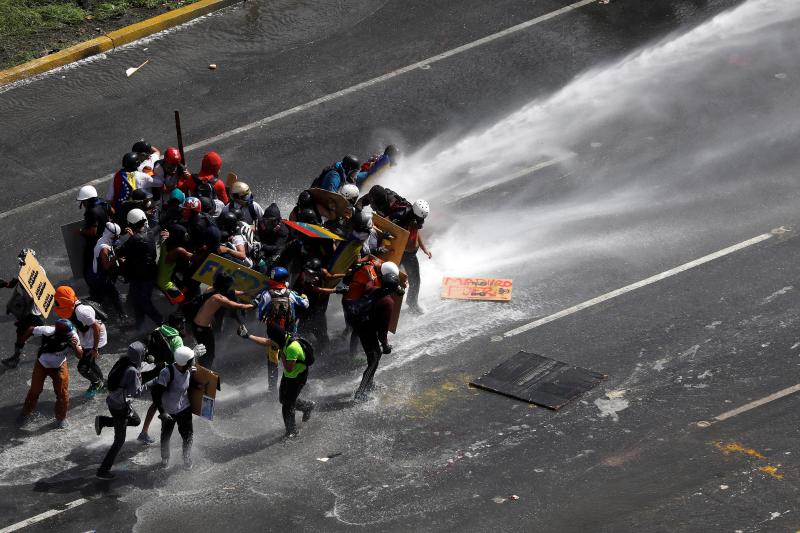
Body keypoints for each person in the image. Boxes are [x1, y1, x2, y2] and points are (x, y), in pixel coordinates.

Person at [238, 322, 313, 438]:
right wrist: (248, 336)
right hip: (289, 376)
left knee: (287, 405)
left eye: (272, 339)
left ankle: (291, 432)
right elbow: (266, 342)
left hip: (298, 377)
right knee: (283, 399)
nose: (271, 341)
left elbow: (288, 368)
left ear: (276, 338)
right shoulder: (283, 338)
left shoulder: (292, 347)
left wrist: (281, 353)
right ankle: (307, 406)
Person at [94, 341, 154, 479]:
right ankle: (103, 471)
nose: (145, 355)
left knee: (136, 420)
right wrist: (152, 382)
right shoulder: (132, 371)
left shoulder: (124, 361)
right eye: (143, 354)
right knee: (119, 441)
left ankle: (103, 421)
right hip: (120, 407)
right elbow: (136, 392)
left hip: (114, 402)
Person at [19, 318, 83, 429]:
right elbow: (30, 329)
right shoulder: (48, 331)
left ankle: (61, 418)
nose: (70, 336)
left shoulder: (73, 337)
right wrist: (21, 342)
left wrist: (75, 347)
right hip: (42, 365)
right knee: (35, 390)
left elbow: (80, 355)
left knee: (62, 394)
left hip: (59, 366)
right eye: (66, 334)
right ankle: (25, 414)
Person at [254, 266, 309, 392]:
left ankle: (272, 389)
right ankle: (292, 384)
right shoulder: (291, 294)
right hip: (291, 335)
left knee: (272, 362)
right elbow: (305, 304)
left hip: (274, 335)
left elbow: (259, 315)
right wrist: (305, 296)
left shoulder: (267, 294)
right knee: (291, 359)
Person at [351, 271, 403, 401]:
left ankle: (370, 384)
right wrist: (385, 345)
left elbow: (367, 283)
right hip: (366, 330)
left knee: (374, 356)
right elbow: (383, 329)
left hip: (359, 324)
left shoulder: (372, 290)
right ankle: (360, 393)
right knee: (374, 359)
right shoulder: (388, 302)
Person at [53, 286, 108, 398]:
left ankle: (97, 383)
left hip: (96, 339)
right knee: (89, 362)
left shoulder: (82, 311)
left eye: (58, 303)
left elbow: (96, 328)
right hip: (87, 337)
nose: (56, 305)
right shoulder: (73, 306)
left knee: (82, 367)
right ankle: (102, 382)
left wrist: (95, 349)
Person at [190, 271, 254, 368]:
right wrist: (256, 303)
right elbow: (240, 306)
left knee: (205, 350)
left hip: (198, 325)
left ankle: (200, 367)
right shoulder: (219, 298)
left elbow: (232, 292)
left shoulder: (210, 289)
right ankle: (202, 371)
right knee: (208, 354)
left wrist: (245, 293)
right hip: (202, 330)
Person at [116, 208, 163, 329]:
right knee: (137, 301)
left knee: (144, 303)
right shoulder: (150, 234)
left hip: (140, 277)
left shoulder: (134, 239)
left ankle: (162, 324)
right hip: (149, 273)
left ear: (131, 224)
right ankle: (140, 326)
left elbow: (120, 252)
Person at [152, 346, 197, 470]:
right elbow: (156, 394)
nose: (194, 362)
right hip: (169, 412)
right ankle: (165, 457)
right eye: (192, 360)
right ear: (185, 362)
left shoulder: (189, 369)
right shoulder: (167, 373)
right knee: (166, 436)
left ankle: (186, 457)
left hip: (185, 408)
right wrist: (163, 412)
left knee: (188, 435)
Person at [1, 250, 45, 369]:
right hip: (26, 309)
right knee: (22, 331)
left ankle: (66, 342)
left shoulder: (38, 271)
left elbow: (35, 292)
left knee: (41, 331)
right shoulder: (24, 270)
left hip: (34, 309)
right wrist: (4, 284)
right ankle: (15, 357)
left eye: (23, 259)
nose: (21, 262)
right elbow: (12, 283)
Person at [397, 199, 432, 314]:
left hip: (411, 255)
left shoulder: (415, 220)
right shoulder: (404, 221)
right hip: (403, 255)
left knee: (415, 281)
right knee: (400, 281)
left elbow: (417, 233)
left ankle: (412, 303)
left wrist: (424, 248)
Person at [87, 221, 126, 320]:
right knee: (115, 295)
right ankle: (122, 317)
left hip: (99, 276)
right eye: (115, 237)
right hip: (101, 277)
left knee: (100, 297)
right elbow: (105, 266)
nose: (117, 239)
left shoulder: (104, 240)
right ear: (110, 235)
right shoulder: (104, 248)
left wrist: (117, 258)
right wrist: (115, 258)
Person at [76, 185, 110, 279]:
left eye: (83, 201)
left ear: (86, 201)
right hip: (106, 238)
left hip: (95, 244)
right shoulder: (102, 203)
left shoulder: (90, 212)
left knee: (89, 269)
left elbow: (93, 232)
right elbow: (113, 211)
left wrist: (81, 231)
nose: (82, 204)